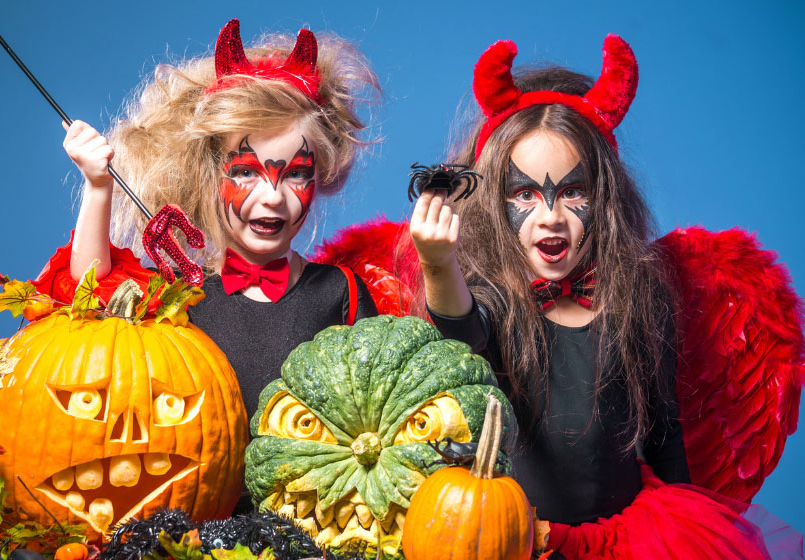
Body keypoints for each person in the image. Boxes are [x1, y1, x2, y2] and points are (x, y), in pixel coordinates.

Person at [409, 36, 772, 559]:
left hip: (628, 540)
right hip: (512, 540)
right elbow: (461, 333)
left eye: (572, 191)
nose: (550, 215)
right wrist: (439, 265)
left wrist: (692, 535)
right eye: (524, 193)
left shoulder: (640, 295)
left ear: (604, 196)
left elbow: (665, 434)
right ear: (493, 199)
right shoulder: (490, 294)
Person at [44, 18, 379, 422]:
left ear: (319, 175)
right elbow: (86, 295)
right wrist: (98, 187)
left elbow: (380, 405)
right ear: (208, 176)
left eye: (295, 174)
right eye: (245, 173)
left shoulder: (340, 292)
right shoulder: (176, 293)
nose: (272, 197)